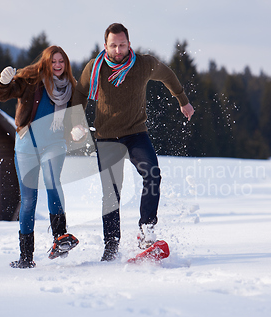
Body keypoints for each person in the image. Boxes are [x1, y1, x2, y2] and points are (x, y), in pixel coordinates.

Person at [71, 23, 195, 261]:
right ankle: (111, 246)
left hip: (136, 133)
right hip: (107, 137)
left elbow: (167, 74)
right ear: (105, 45)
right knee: (111, 193)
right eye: (113, 45)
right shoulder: (94, 68)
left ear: (129, 43)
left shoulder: (143, 64)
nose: (118, 50)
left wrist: (182, 99)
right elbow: (79, 94)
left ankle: (146, 232)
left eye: (122, 45)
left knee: (153, 174)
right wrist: (76, 123)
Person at [0, 45, 79, 268]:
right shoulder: (30, 79)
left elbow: (75, 118)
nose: (58, 66)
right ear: (46, 63)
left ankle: (60, 237)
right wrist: (3, 82)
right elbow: (2, 95)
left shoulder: (70, 87)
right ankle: (26, 257)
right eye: (54, 62)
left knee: (52, 182)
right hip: (27, 146)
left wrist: (77, 130)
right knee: (29, 199)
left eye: (62, 62)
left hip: (54, 144)